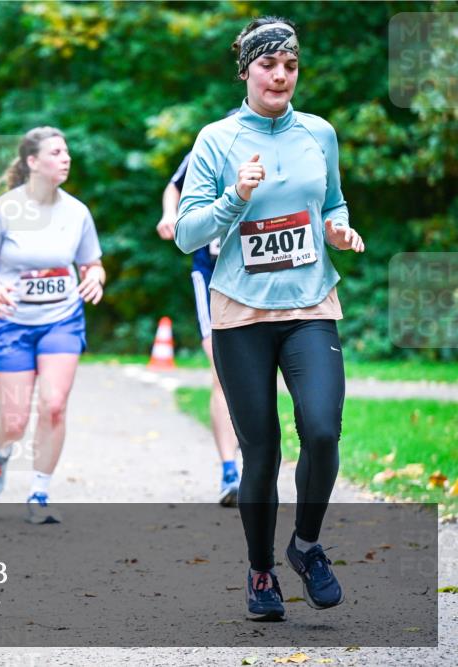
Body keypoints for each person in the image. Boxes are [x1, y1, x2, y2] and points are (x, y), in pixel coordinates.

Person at [175, 17, 365, 622]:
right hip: (241, 313)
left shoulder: (319, 133)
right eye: (268, 65)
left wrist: (337, 228)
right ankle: (261, 573)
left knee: (323, 430)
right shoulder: (216, 139)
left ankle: (305, 546)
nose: (280, 75)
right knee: (261, 452)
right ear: (246, 71)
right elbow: (185, 234)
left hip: (310, 304)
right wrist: (235, 198)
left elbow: (331, 201)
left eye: (290, 65)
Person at [0, 127, 105, 524]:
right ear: (32, 162)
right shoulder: (3, 211)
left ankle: (40, 491)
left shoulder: (77, 212)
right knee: (13, 422)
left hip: (61, 318)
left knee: (55, 406)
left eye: (67, 152)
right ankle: (0, 453)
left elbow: (92, 262)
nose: (66, 158)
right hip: (11, 324)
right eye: (57, 153)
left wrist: (95, 275)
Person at [156, 110, 241, 507]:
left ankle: (254, 458)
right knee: (223, 371)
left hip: (261, 276)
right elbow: (174, 186)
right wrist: (171, 216)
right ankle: (230, 472)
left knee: (260, 375)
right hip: (211, 273)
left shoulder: (284, 143)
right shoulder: (213, 141)